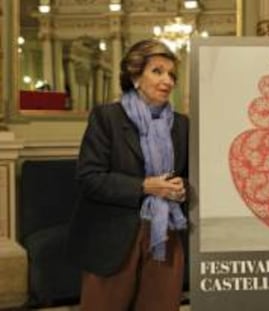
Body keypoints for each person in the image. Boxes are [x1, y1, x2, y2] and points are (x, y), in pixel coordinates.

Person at [67, 39, 189, 311]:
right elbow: (89, 178)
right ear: (135, 76)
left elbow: (191, 179)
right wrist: (145, 186)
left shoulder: (182, 125)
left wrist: (183, 188)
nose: (167, 80)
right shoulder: (107, 117)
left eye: (172, 74)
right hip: (112, 236)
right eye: (157, 71)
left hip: (166, 236)